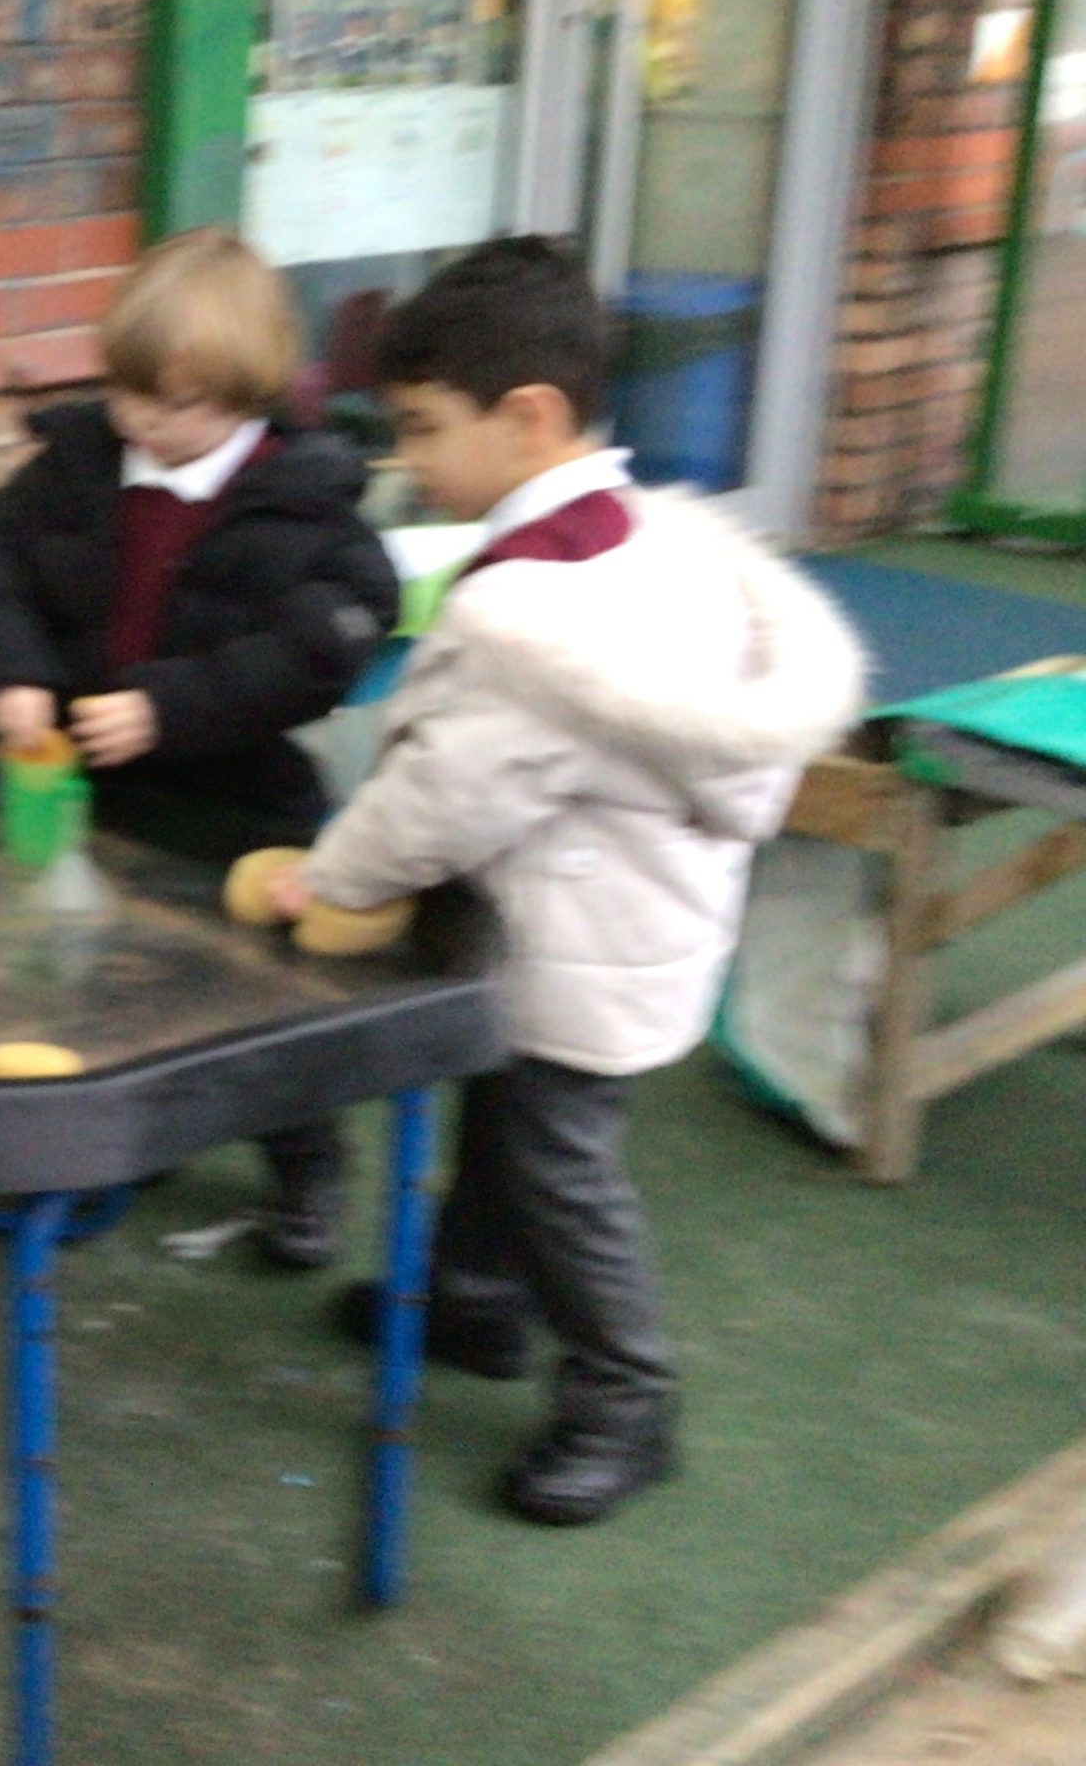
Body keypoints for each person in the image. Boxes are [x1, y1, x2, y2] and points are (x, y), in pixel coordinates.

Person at [258, 236, 865, 1524]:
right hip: (611, 920)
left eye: (423, 428)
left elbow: (447, 794)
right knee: (505, 1122)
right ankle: (475, 1302)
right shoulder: (648, 545)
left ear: (527, 417)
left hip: (578, 939)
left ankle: (625, 1399)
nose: (408, 462)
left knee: (557, 1170)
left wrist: (328, 879)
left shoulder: (539, 614)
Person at [0, 226, 400, 1267]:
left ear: (243, 395)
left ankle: (305, 1164)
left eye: (175, 404)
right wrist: (10, 673)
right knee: (94, 974)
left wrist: (172, 705)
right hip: (93, 794)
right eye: (127, 392)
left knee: (260, 1000)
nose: (143, 420)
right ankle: (121, 1141)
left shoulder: (302, 498)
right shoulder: (79, 468)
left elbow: (329, 636)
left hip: (236, 795)